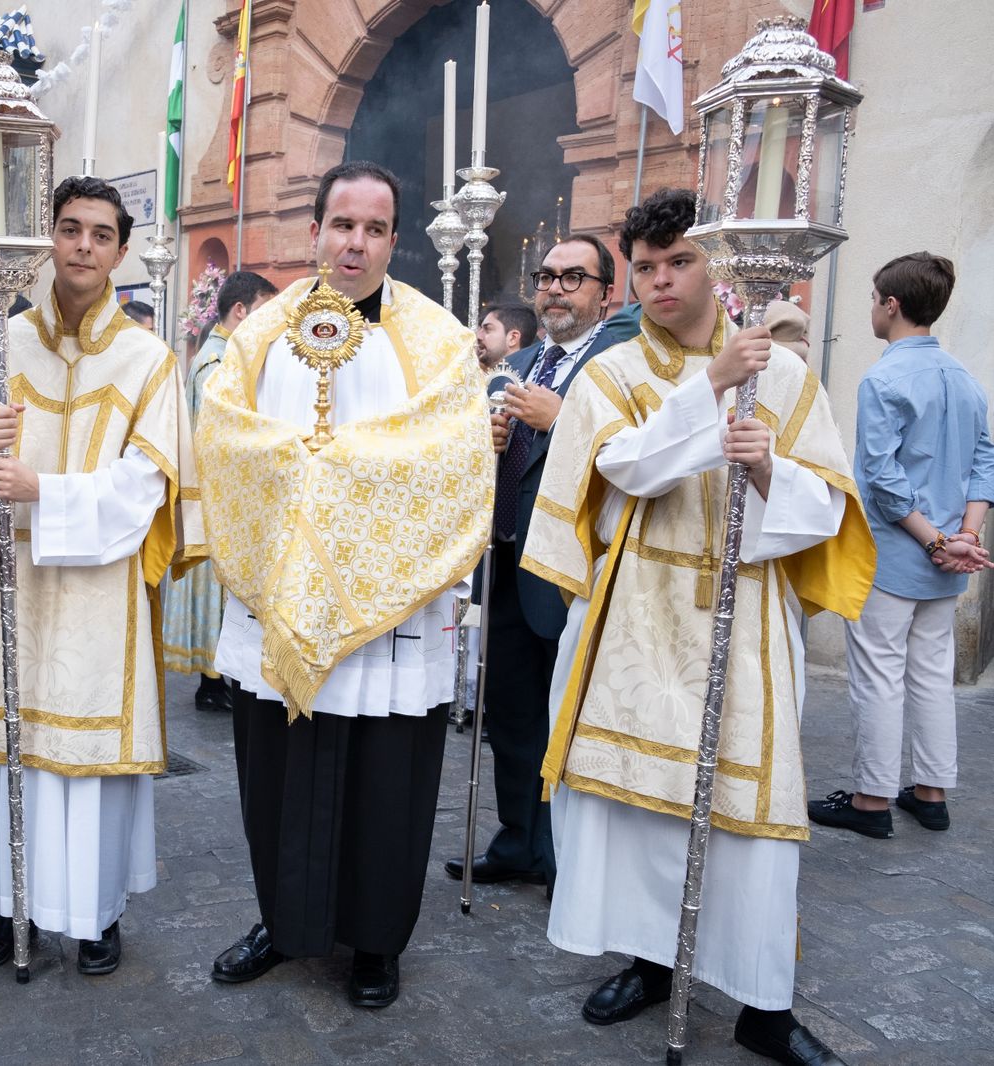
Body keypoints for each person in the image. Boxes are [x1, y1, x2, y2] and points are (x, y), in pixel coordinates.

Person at [523, 188, 874, 1066]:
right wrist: (707, 390)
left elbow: (826, 508)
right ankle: (652, 963)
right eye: (645, 267)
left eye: (679, 261)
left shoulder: (782, 376)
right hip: (636, 618)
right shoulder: (611, 374)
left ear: (714, 266)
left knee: (750, 822)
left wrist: (768, 471)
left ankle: (764, 1007)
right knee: (643, 811)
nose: (661, 280)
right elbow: (621, 469)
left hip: (745, 618)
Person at [195, 161, 495, 1008]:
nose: (355, 243)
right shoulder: (261, 335)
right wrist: (306, 469)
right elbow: (223, 437)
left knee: (384, 783)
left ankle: (375, 943)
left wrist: (333, 474)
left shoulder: (437, 341)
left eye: (374, 228)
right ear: (315, 231)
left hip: (389, 608)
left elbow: (455, 457)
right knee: (279, 773)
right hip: (283, 593)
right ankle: (282, 922)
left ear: (395, 240)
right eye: (342, 225)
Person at [0, 175, 201, 977]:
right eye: (71, 228)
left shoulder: (148, 361)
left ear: (120, 250)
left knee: (88, 767)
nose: (83, 246)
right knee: (0, 757)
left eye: (100, 234)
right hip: (5, 591)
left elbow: (147, 488)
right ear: (49, 237)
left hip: (98, 595)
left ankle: (93, 915)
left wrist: (41, 489)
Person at [443, 236, 635, 895]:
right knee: (513, 715)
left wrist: (563, 420)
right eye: (547, 276)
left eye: (573, 277)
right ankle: (518, 840)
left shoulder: (620, 364)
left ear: (604, 293)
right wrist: (488, 440)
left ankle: (563, 862)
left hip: (569, 569)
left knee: (565, 719)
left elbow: (635, 454)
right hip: (504, 560)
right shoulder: (521, 361)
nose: (554, 288)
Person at [808, 253, 994, 839]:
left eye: (874, 299)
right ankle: (930, 793)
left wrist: (940, 540)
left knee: (879, 675)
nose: (871, 308)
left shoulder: (883, 379)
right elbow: (987, 464)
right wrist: (964, 537)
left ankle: (871, 801)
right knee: (931, 673)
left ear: (891, 306)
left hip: (895, 555)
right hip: (945, 560)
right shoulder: (964, 378)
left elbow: (882, 479)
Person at [161, 269, 276, 713]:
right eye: (265, 311)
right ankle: (211, 680)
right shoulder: (217, 362)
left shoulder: (226, 354)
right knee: (214, 585)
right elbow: (221, 434)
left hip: (222, 492)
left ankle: (216, 676)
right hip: (214, 494)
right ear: (240, 310)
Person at [473, 299, 536, 370]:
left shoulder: (531, 375)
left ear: (513, 338)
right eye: (480, 329)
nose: (478, 336)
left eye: (487, 329)